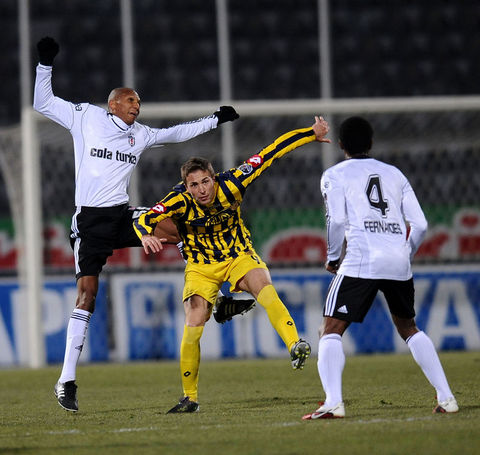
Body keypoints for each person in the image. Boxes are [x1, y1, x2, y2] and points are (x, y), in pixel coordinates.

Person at [33, 36, 242, 413]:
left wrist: (214, 120)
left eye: (139, 103)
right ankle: (66, 380)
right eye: (131, 101)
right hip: (91, 221)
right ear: (113, 103)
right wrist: (45, 63)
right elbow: (42, 102)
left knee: (180, 226)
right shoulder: (85, 117)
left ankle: (217, 293)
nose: (137, 106)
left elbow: (172, 133)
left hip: (123, 214)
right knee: (87, 296)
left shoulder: (140, 135)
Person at [134, 116, 331, 413]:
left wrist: (311, 134)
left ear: (214, 178)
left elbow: (271, 151)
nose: (201, 189)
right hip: (201, 265)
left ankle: (294, 345)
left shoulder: (235, 181)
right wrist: (146, 234)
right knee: (195, 319)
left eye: (205, 181)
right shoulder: (178, 200)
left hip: (237, 254)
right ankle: (190, 397)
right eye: (194, 185)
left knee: (263, 286)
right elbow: (145, 218)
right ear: (186, 187)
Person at [302, 116, 458, 420]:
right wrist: (405, 252)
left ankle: (333, 402)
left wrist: (334, 257)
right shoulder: (395, 174)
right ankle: (447, 397)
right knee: (409, 328)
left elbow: (336, 221)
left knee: (331, 329)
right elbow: (421, 224)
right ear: (371, 143)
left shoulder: (335, 174)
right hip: (398, 261)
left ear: (341, 145)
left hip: (362, 258)